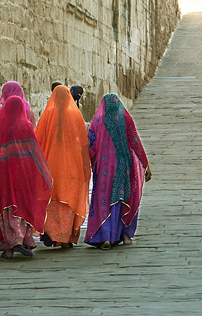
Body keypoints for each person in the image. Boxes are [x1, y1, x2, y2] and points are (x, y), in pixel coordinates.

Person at [0, 96, 52, 259]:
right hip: (23, 175)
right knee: (23, 204)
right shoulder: (25, 126)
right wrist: (44, 173)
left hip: (1, 175)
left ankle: (9, 248)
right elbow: (34, 151)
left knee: (5, 207)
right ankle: (21, 239)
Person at [85, 93, 152, 250]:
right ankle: (124, 234)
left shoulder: (98, 120)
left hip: (103, 168)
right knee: (122, 198)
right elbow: (135, 141)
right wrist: (145, 163)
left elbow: (90, 145)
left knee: (104, 200)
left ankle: (106, 236)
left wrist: (89, 163)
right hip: (123, 165)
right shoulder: (125, 118)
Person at [35, 85, 90, 249]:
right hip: (71, 164)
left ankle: (51, 233)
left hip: (51, 163)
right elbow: (84, 143)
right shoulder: (75, 116)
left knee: (53, 198)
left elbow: (37, 140)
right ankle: (65, 237)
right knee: (69, 197)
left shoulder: (47, 116)